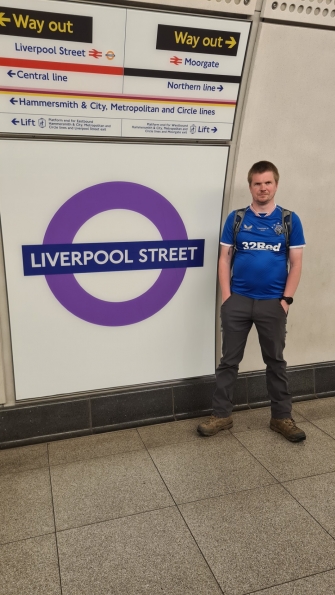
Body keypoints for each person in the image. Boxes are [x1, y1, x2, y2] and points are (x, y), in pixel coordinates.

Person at [197, 161, 306, 442]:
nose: (263, 188)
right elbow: (224, 258)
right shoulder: (236, 218)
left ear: (276, 185)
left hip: (273, 303)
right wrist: (227, 297)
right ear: (250, 186)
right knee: (228, 362)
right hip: (239, 301)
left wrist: (286, 300)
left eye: (268, 182)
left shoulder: (289, 220)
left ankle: (281, 417)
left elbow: (296, 263)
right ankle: (221, 415)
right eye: (257, 183)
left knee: (276, 362)